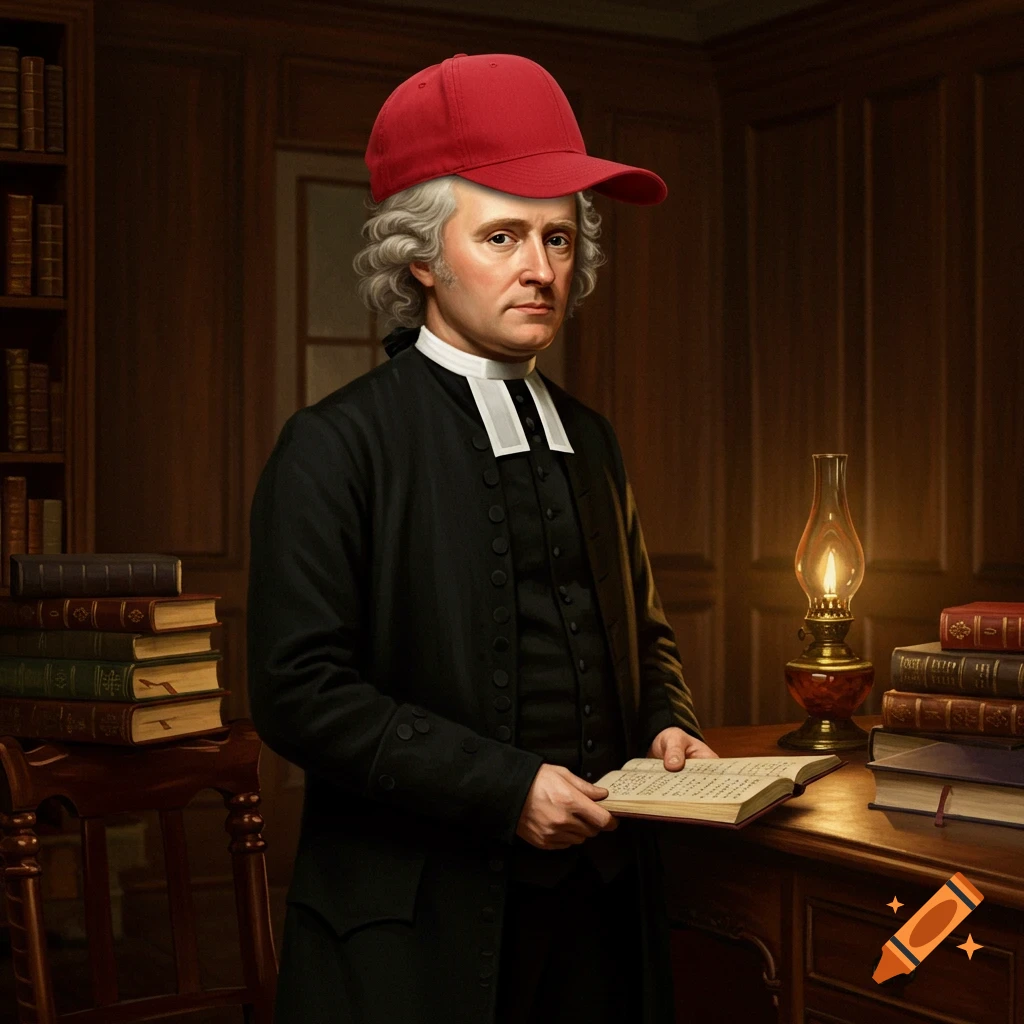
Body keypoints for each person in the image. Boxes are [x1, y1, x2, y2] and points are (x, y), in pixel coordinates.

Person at [247, 52, 717, 1024]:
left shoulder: (590, 438)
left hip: (601, 916)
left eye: (557, 238)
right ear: (418, 256)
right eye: (502, 236)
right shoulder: (334, 445)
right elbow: (299, 693)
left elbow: (646, 633)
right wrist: (505, 789)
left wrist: (667, 719)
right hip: (419, 930)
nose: (541, 270)